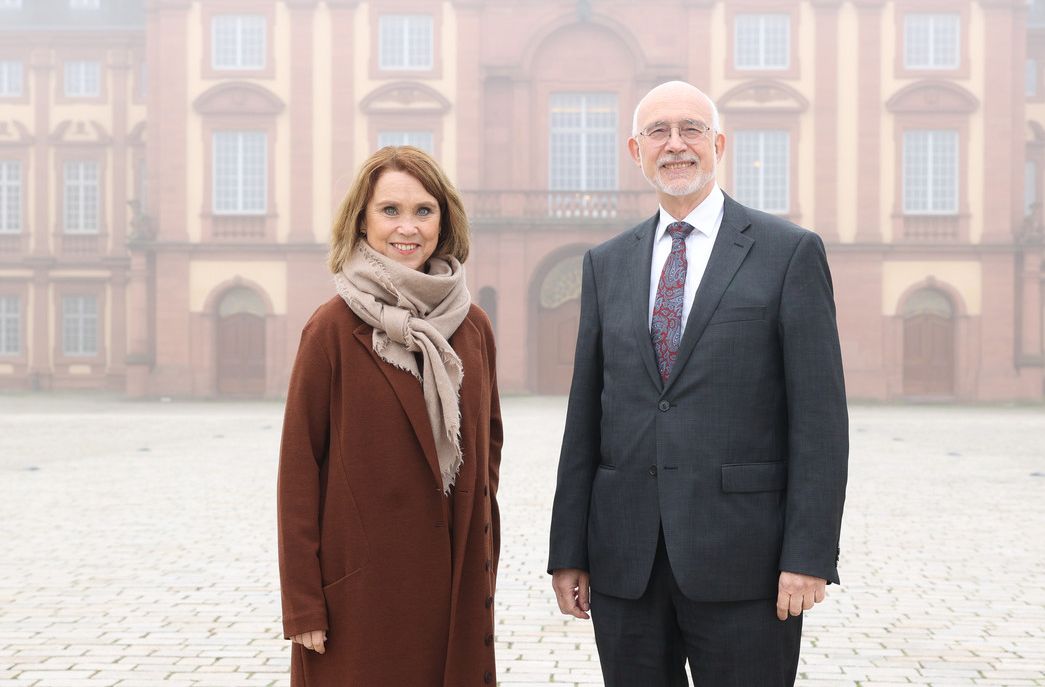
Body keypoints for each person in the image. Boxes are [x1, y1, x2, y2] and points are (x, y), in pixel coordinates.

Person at [548, 81, 849, 687]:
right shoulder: (606, 263)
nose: (675, 144)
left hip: (747, 563)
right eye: (658, 132)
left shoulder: (788, 253)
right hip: (626, 563)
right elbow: (586, 416)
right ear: (636, 150)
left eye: (691, 130)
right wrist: (568, 551)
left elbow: (819, 421)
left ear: (719, 145)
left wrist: (808, 556)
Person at [278, 146, 503, 686]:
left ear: (444, 221)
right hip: (360, 598)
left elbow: (488, 456)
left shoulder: (471, 327)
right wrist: (304, 604)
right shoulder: (331, 328)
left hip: (456, 591)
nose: (409, 227)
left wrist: (484, 563)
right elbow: (298, 472)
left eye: (424, 211)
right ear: (361, 219)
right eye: (390, 210)